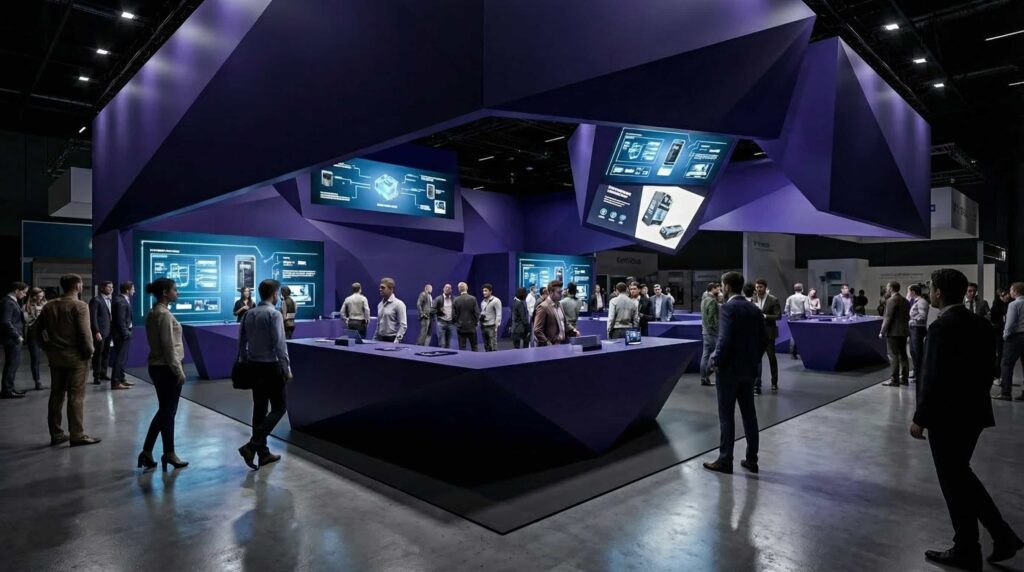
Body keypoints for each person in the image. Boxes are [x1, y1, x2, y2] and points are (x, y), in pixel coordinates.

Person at [911, 268, 1023, 570]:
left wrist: (920, 417)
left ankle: (971, 547)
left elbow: (931, 377)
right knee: (961, 477)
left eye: (931, 288)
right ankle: (997, 537)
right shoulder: (981, 324)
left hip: (946, 418)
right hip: (973, 413)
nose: (930, 292)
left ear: (938, 292)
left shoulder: (940, 327)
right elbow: (991, 369)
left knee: (954, 482)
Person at [703, 271, 765, 475]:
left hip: (729, 371)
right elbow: (764, 340)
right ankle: (752, 459)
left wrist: (716, 361)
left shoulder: (728, 308)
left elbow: (725, 339)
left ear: (727, 287)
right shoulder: (754, 309)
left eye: (722, 285)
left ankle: (725, 460)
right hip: (749, 370)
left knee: (726, 416)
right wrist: (754, 360)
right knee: (750, 415)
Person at [36, 274, 100, 446]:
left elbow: (34, 331)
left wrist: (47, 347)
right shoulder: (80, 306)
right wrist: (90, 353)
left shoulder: (49, 306)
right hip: (77, 358)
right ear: (78, 286)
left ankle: (56, 434)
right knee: (76, 397)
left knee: (56, 395)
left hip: (56, 357)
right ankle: (77, 434)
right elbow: (86, 335)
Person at [236, 279, 292, 470]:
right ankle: (252, 445)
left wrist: (245, 361)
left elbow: (241, 342)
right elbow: (280, 344)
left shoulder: (249, 313)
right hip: (271, 367)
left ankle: (263, 453)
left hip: (254, 366)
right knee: (279, 407)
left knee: (259, 409)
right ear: (275, 294)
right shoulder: (274, 314)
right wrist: (286, 369)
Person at [138, 278, 188, 471]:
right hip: (167, 368)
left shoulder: (154, 312)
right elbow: (168, 347)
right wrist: (178, 370)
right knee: (167, 412)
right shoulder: (164, 315)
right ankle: (164, 452)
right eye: (175, 290)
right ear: (165, 293)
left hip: (157, 366)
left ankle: (154, 452)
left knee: (165, 412)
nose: (177, 293)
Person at [751, 279, 781, 394]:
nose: (758, 289)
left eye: (761, 287)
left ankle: (774, 382)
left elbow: (778, 316)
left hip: (769, 334)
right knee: (757, 360)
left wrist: (765, 316)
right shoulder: (753, 299)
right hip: (757, 334)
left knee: (772, 358)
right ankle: (757, 384)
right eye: (757, 287)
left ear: (765, 287)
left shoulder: (773, 299)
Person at [995, 282, 1024, 401]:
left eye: (1011, 290)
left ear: (1016, 291)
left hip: (1015, 337)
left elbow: (1010, 323)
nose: (1010, 292)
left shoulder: (1014, 304)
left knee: (1006, 364)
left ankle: (1006, 393)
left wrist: (1005, 335)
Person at [879, 281, 911, 387]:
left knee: (893, 356)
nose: (886, 289)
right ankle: (904, 378)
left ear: (891, 288)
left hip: (893, 332)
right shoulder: (905, 300)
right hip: (904, 331)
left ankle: (894, 380)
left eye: (887, 287)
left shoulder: (891, 300)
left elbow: (888, 317)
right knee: (903, 355)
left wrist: (882, 331)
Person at [1, 281, 29, 398]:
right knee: (12, 364)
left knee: (12, 363)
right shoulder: (8, 302)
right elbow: (6, 322)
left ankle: (9, 388)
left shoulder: (11, 301)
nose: (25, 294)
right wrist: (17, 336)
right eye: (24, 292)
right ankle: (7, 390)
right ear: (17, 290)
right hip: (12, 339)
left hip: (12, 338)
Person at [533, 280, 577, 346]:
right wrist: (548, 343)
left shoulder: (560, 304)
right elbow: (537, 330)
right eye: (559, 292)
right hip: (551, 348)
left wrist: (573, 330)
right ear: (551, 292)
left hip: (562, 344)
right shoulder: (543, 307)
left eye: (561, 292)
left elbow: (563, 322)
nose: (561, 294)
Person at [108, 281, 135, 390]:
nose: (134, 291)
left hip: (122, 334)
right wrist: (126, 333)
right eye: (133, 289)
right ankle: (115, 382)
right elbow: (120, 320)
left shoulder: (122, 300)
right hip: (121, 335)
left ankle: (121, 379)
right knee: (119, 359)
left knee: (122, 358)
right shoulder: (121, 301)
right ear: (127, 290)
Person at [88, 281, 114, 385]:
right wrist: (96, 331)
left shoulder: (111, 300)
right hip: (100, 332)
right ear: (102, 288)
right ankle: (97, 376)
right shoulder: (96, 300)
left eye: (112, 287)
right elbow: (93, 317)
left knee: (107, 353)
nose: (111, 289)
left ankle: (103, 373)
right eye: (109, 287)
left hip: (109, 331)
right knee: (98, 354)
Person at [23, 287, 47, 391]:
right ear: (33, 296)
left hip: (45, 334)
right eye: (39, 296)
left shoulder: (46, 305)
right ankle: (37, 381)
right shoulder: (26, 307)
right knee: (35, 358)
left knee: (53, 356)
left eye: (42, 296)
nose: (41, 298)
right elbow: (27, 321)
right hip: (33, 334)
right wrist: (37, 316)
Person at [700, 282, 721, 387]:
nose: (719, 291)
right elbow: (711, 318)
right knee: (716, 354)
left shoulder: (704, 299)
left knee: (705, 355)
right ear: (713, 289)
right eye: (718, 289)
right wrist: (716, 329)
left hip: (705, 331)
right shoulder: (712, 301)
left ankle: (704, 378)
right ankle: (707, 376)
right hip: (711, 332)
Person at [907, 284, 930, 383]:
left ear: (913, 292)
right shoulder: (915, 301)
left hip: (918, 329)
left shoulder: (922, 302)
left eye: (908, 291)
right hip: (914, 329)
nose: (907, 293)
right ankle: (916, 372)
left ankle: (920, 375)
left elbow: (923, 316)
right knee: (913, 351)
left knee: (918, 352)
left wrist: (913, 320)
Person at [374, 277, 407, 343]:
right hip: (380, 339)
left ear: (391, 289)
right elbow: (379, 324)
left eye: (383, 287)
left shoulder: (399, 304)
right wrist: (374, 339)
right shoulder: (380, 305)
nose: (380, 289)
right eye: (380, 287)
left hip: (392, 340)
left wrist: (396, 341)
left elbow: (403, 325)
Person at [452, 282, 480, 351]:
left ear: (459, 289)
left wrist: (456, 323)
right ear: (467, 288)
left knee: (462, 348)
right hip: (471, 327)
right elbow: (477, 313)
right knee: (474, 347)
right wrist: (476, 323)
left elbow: (453, 315)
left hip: (460, 327)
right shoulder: (473, 298)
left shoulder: (456, 300)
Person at [990, 289, 1011, 380]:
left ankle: (1002, 375)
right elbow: (993, 317)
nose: (1008, 296)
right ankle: (997, 375)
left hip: (1008, 331)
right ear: (1001, 296)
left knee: (1005, 355)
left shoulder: (1010, 303)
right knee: (999, 353)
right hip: (999, 332)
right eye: (1005, 295)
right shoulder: (997, 303)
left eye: (1008, 294)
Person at [784, 283, 809, 360]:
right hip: (801, 317)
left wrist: (789, 316)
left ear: (794, 289)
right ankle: (803, 353)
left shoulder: (790, 298)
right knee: (802, 336)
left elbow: (786, 309)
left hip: (792, 317)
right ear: (802, 289)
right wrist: (808, 316)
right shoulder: (805, 297)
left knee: (793, 335)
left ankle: (792, 354)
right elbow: (807, 309)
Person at [479, 283, 502, 352]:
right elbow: (482, 312)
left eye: (486, 291)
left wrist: (496, 326)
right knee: (486, 346)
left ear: (490, 291)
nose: (484, 292)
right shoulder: (483, 302)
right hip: (483, 326)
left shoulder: (496, 301)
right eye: (483, 291)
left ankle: (494, 358)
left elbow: (499, 314)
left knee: (492, 346)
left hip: (491, 326)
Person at [432, 283, 456, 348]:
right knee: (442, 343)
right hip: (441, 322)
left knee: (448, 344)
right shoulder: (438, 299)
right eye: (446, 287)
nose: (447, 289)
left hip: (450, 323)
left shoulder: (454, 299)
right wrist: (439, 311)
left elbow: (457, 309)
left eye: (449, 288)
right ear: (443, 289)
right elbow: (432, 309)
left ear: (451, 290)